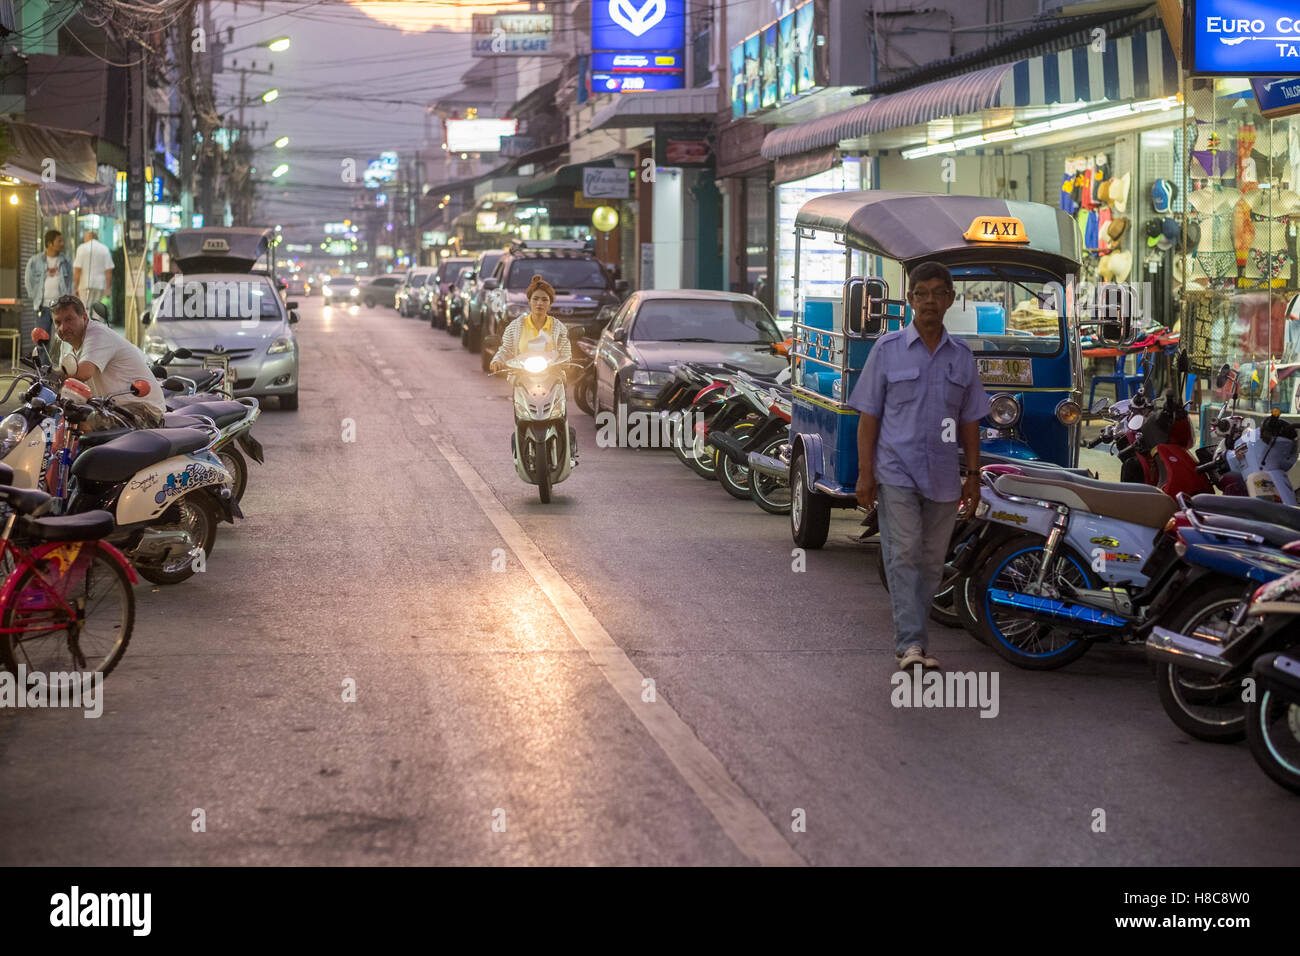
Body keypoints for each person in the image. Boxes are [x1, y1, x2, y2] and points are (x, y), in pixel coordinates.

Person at [848, 261, 989, 672]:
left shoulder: (962, 357)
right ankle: (910, 644)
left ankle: (915, 641)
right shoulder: (888, 350)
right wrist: (865, 473)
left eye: (937, 293)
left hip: (944, 477)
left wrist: (974, 476)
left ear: (950, 300)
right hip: (896, 470)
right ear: (909, 300)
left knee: (931, 562)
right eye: (921, 293)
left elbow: (970, 421)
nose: (929, 301)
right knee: (904, 552)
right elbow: (868, 417)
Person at [50, 294, 166, 430]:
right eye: (58, 322)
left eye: (69, 320)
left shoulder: (97, 334)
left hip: (143, 409)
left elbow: (83, 373)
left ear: (85, 318)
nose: (63, 328)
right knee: (64, 418)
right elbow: (70, 381)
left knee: (85, 425)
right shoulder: (66, 342)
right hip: (109, 408)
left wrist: (51, 375)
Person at [489, 274, 572, 371]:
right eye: (535, 299)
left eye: (544, 300)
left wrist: (565, 364)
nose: (539, 303)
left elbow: (566, 356)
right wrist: (497, 361)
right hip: (521, 380)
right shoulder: (514, 327)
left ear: (550, 304)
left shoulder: (559, 328)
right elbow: (506, 350)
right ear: (529, 302)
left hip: (553, 380)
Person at [25, 229, 73, 328]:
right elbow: (28, 281)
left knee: (62, 339)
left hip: (60, 307)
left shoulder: (66, 261)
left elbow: (71, 282)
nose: (62, 244)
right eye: (59, 241)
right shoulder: (35, 261)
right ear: (50, 243)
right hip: (42, 307)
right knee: (42, 340)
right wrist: (35, 297)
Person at [73, 229, 114, 311]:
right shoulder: (104, 249)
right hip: (100, 285)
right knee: (98, 312)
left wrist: (75, 287)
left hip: (85, 285)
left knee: (85, 311)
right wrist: (108, 288)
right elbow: (108, 271)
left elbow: (77, 270)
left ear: (88, 237)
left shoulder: (81, 248)